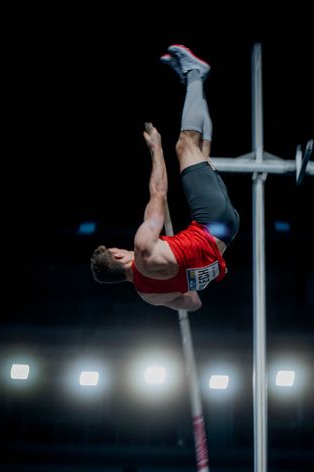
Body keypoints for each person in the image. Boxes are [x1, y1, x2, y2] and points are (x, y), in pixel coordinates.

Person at [91, 45, 239, 312]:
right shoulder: (144, 247)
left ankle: (195, 82)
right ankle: (195, 72)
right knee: (184, 145)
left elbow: (194, 303)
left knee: (202, 154)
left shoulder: (148, 295)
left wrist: (189, 274)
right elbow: (159, 192)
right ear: (117, 256)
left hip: (225, 233)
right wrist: (156, 149)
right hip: (211, 222)